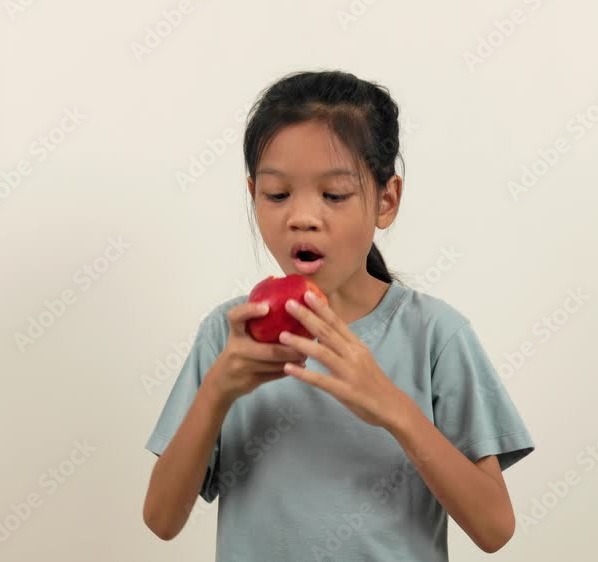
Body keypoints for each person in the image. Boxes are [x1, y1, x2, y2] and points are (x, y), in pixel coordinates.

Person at [143, 69, 536, 561]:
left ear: (386, 200)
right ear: (253, 194)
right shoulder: (231, 336)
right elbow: (161, 520)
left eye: (334, 195)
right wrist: (218, 389)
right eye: (277, 194)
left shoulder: (435, 334)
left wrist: (393, 408)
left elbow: (494, 528)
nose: (302, 217)